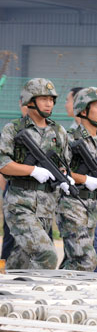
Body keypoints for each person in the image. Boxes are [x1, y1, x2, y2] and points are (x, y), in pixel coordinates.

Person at [0, 78, 72, 269]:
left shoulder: (59, 131)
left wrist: (64, 177)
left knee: (23, 259)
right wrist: (32, 170)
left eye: (52, 100)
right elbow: (3, 164)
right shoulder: (13, 129)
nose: (49, 104)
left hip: (46, 208)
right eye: (44, 99)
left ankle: (6, 281)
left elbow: (65, 163)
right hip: (20, 205)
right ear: (30, 101)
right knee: (46, 255)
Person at [57, 87, 97, 271]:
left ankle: (61, 289)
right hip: (72, 206)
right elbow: (59, 170)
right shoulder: (69, 138)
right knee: (85, 259)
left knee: (76, 260)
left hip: (90, 206)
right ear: (83, 111)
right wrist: (84, 179)